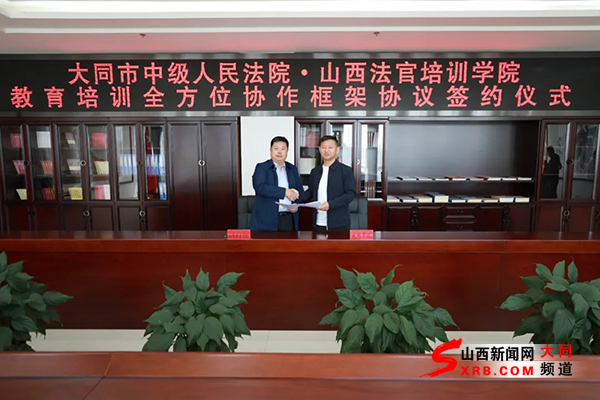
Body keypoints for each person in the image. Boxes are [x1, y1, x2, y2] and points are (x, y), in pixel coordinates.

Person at [302, 135, 356, 232]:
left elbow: (350, 194)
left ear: (337, 150)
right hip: (318, 222)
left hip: (339, 223)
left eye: (330, 147)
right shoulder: (315, 171)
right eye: (323, 147)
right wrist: (296, 196)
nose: (326, 150)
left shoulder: (345, 171)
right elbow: (310, 192)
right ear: (319, 149)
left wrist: (330, 204)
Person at [249, 136, 303, 232]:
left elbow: (299, 191)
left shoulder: (292, 169)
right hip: (266, 220)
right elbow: (260, 187)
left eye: (283, 149)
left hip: (288, 219)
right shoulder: (262, 167)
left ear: (287, 151)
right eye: (276, 148)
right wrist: (285, 192)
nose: (279, 152)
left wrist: (297, 206)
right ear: (271, 151)